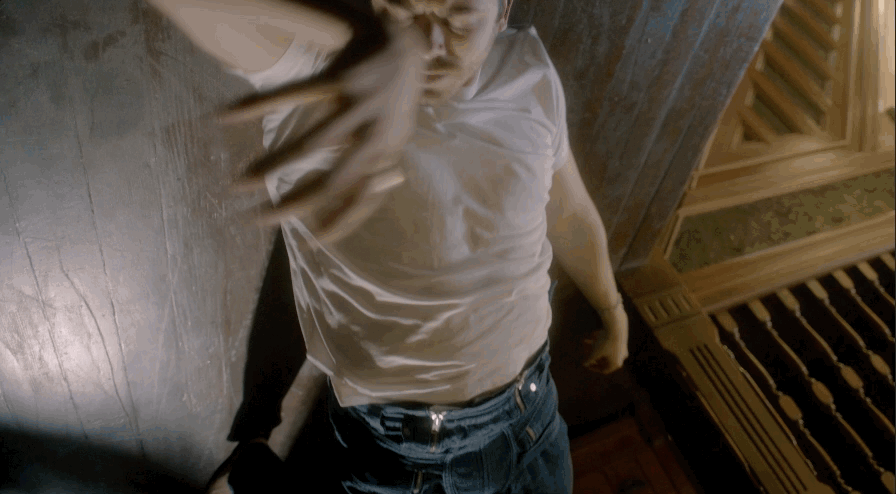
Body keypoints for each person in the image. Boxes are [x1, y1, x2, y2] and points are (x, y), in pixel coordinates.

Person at [146, 0, 629, 492]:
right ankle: (250, 470)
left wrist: (612, 309)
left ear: (503, 12)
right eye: (401, 8)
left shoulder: (526, 68)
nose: (428, 45)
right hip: (399, 451)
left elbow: (567, 211)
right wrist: (360, 39)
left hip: (533, 416)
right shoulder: (313, 66)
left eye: (459, 19)